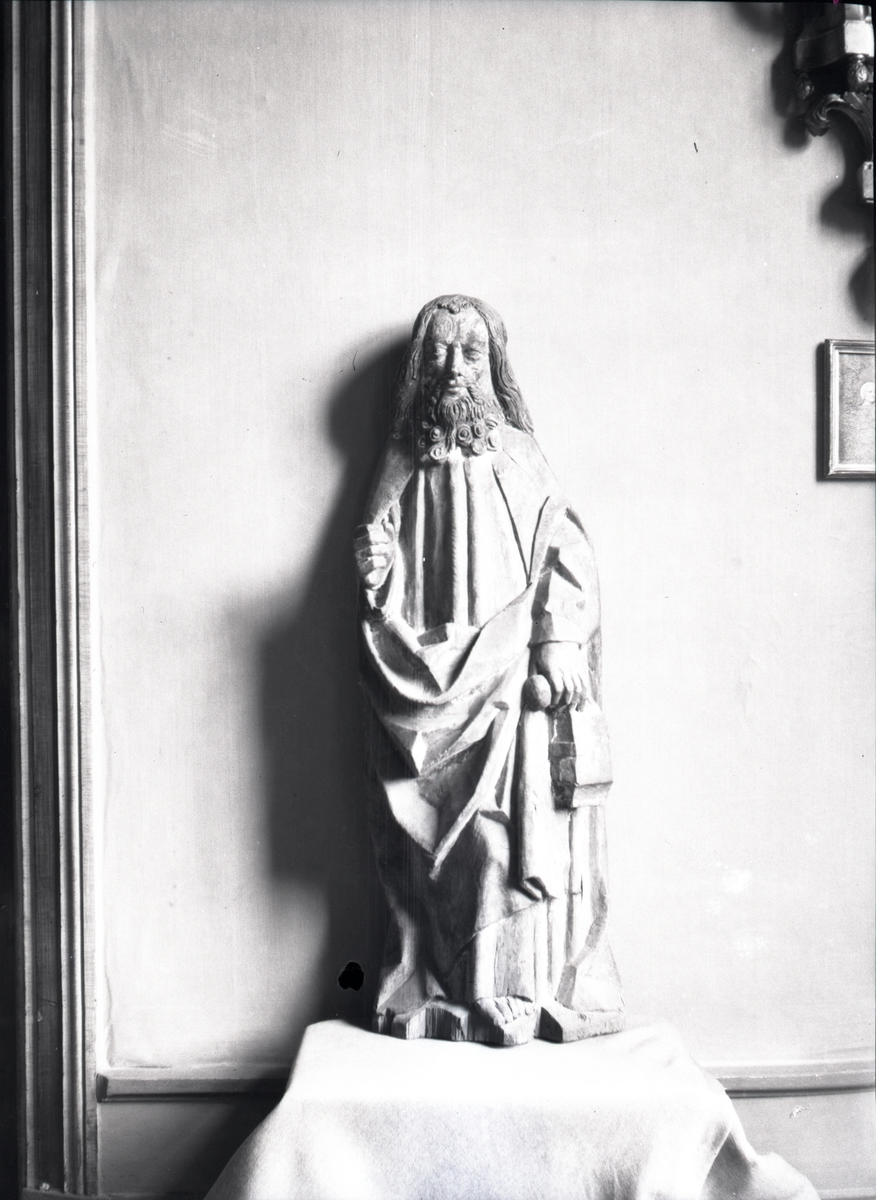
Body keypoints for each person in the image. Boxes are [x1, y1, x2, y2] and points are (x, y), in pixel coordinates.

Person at [355, 295, 624, 1046]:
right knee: (441, 842)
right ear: (420, 367)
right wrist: (374, 570)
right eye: (439, 352)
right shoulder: (402, 461)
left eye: (470, 353)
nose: (454, 369)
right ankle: (442, 987)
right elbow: (377, 564)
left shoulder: (520, 454)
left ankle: (508, 987)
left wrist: (558, 638)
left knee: (505, 840)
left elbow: (567, 551)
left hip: (510, 675)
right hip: (430, 677)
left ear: (494, 367)